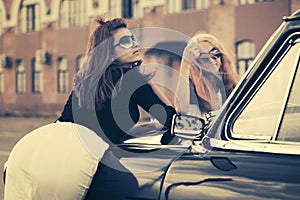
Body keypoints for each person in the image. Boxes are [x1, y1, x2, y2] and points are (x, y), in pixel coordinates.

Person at [4, 17, 177, 200]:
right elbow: (169, 116)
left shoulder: (86, 79)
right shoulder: (131, 79)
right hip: (83, 156)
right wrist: (145, 78)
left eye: (134, 38)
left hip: (42, 147)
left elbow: (73, 121)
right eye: (126, 41)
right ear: (109, 52)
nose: (135, 44)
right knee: (130, 187)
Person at [174, 32, 239, 116]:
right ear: (195, 62)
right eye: (204, 57)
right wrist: (185, 63)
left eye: (215, 53)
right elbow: (181, 110)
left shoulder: (230, 84)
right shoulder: (191, 88)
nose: (211, 60)